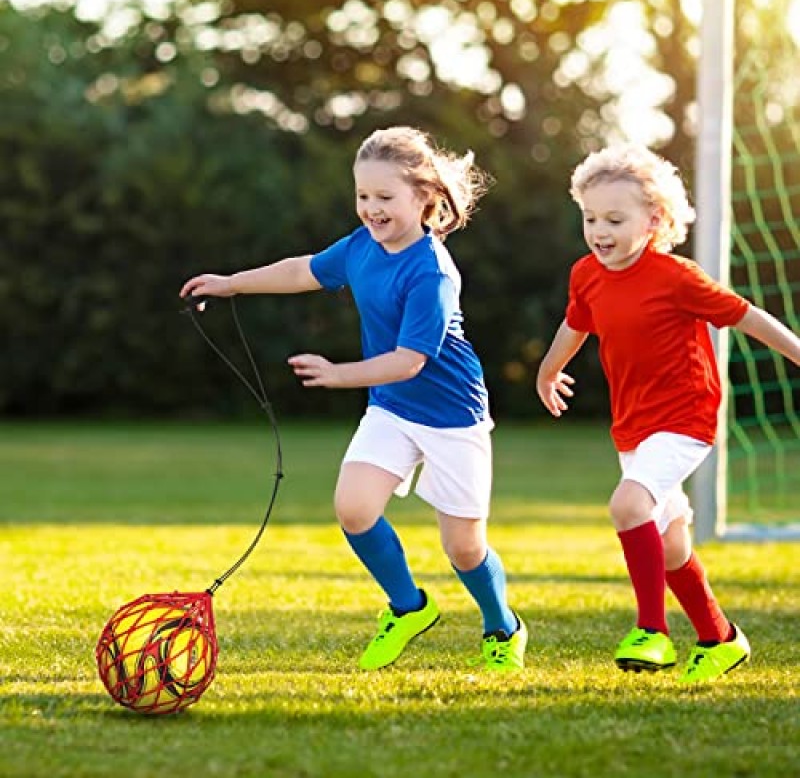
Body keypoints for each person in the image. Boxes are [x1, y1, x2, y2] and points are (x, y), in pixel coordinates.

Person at [180, 126, 527, 672]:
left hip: (451, 416)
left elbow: (411, 360)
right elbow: (304, 269)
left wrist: (339, 375)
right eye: (363, 195)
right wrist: (231, 283)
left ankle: (502, 627)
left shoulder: (432, 272)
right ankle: (408, 607)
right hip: (392, 407)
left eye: (385, 197)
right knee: (354, 508)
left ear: (425, 198)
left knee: (463, 549)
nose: (371, 208)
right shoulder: (362, 247)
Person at [536, 143, 800, 683]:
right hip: (632, 423)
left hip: (686, 417)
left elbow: (748, 316)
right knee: (670, 539)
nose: (599, 230)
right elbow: (577, 323)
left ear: (653, 219)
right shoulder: (585, 273)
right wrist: (546, 369)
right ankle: (719, 638)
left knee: (628, 505)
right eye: (590, 218)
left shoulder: (676, 276)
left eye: (614, 218)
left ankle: (652, 632)